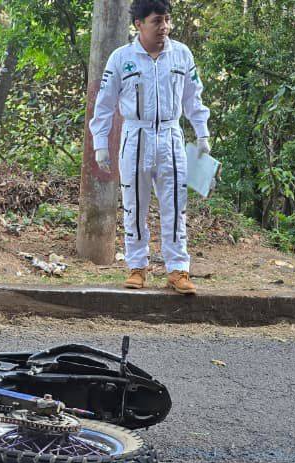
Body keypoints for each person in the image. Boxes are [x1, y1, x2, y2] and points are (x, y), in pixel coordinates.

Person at [89, 0, 211, 295]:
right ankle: (137, 267)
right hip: (136, 137)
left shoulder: (181, 55)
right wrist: (100, 144)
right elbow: (104, 104)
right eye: (157, 21)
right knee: (134, 205)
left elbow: (194, 99)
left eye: (168, 20)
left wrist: (202, 134)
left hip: (171, 137)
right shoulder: (121, 59)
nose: (164, 27)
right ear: (139, 24)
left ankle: (178, 270)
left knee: (175, 207)